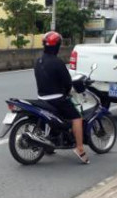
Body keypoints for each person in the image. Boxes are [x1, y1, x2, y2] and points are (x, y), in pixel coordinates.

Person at [34, 31, 89, 164]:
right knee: (76, 117)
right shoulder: (58, 62)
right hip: (57, 98)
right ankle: (80, 148)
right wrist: (67, 91)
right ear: (57, 46)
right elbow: (67, 83)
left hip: (42, 98)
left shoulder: (38, 60)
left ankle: (49, 145)